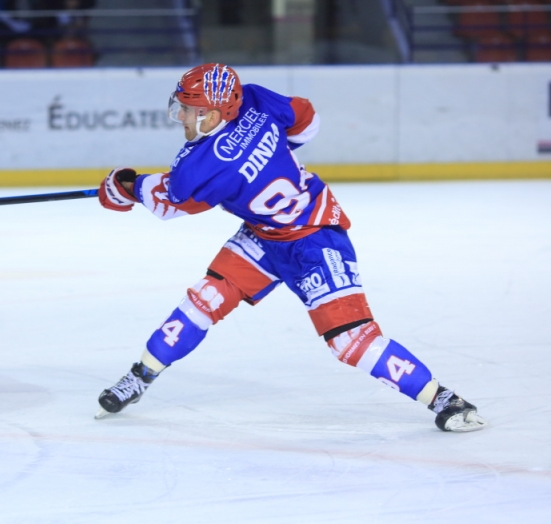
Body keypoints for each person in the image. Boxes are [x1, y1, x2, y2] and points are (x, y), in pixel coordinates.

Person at [95, 63, 487, 432]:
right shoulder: (252, 98)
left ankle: (447, 401)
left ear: (214, 114)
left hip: (314, 237)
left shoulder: (200, 167)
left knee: (351, 340)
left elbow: (170, 203)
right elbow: (306, 120)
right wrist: (270, 155)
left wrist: (121, 186)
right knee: (206, 298)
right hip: (267, 233)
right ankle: (139, 376)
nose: (180, 116)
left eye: (189, 109)